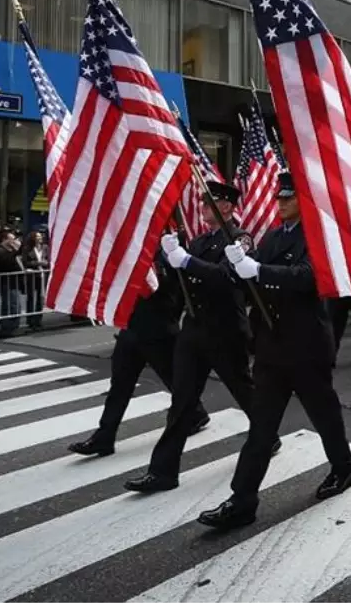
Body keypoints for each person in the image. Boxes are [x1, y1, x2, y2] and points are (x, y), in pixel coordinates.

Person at [197, 173, 351, 530]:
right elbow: (250, 282)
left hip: (306, 346)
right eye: (278, 198)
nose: (280, 203)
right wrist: (240, 269)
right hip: (271, 348)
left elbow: (308, 277)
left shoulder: (317, 236)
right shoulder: (271, 237)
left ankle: (344, 467)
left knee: (324, 415)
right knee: (261, 427)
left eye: (288, 198)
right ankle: (243, 500)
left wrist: (259, 269)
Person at [125, 181, 268, 494]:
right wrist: (169, 256)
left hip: (225, 331)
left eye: (208, 203)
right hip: (193, 331)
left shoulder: (240, 239)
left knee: (243, 390)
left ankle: (267, 435)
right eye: (203, 203)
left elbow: (226, 276)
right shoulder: (201, 241)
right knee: (182, 400)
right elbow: (183, 280)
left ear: (227, 207)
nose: (202, 208)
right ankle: (162, 472)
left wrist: (187, 261)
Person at [68, 225, 209, 458]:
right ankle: (105, 436)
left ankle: (196, 413)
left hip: (159, 328)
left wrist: (170, 316)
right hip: (132, 327)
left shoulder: (171, 246)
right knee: (119, 387)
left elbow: (178, 288)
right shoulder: (133, 247)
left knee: (175, 382)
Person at [19, 231, 49, 331]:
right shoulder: (27, 248)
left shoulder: (45, 247)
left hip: (42, 275)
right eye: (37, 237)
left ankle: (38, 320)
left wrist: (45, 263)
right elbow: (25, 262)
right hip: (32, 275)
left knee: (40, 298)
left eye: (40, 236)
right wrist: (38, 262)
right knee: (31, 297)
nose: (40, 238)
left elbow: (48, 260)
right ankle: (30, 320)